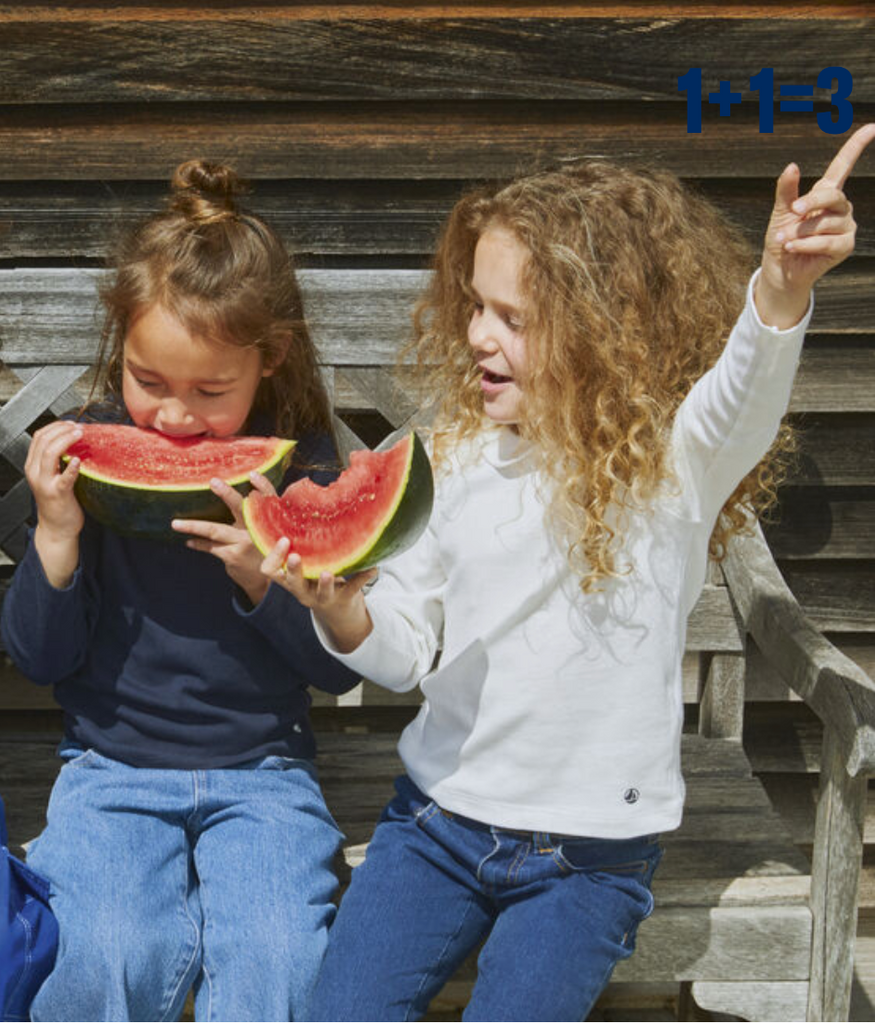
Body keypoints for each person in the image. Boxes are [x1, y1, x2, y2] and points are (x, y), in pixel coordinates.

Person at [260, 125, 875, 1022]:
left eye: (512, 318)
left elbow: (744, 389)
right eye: (474, 306)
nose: (477, 334)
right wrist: (345, 610)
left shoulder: (674, 463)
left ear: (601, 330)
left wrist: (780, 286)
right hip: (433, 826)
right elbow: (405, 653)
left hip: (587, 862)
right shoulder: (449, 459)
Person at [0, 159, 361, 1023]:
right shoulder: (85, 472)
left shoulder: (303, 470)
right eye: (148, 383)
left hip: (266, 776)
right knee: (101, 957)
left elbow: (336, 670)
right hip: (108, 772)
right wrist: (56, 536)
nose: (170, 421)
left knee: (284, 962)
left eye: (210, 392)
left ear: (267, 360)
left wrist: (262, 578)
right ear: (120, 346)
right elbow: (42, 657)